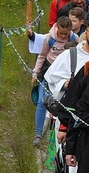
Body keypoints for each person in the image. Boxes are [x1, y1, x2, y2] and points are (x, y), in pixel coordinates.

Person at [32, 17, 79, 146]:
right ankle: (38, 133)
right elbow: (42, 55)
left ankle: (56, 133)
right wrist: (36, 72)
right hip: (49, 69)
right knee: (43, 101)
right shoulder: (50, 38)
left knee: (59, 103)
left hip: (65, 72)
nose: (64, 36)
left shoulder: (74, 38)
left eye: (66, 34)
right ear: (57, 28)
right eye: (61, 33)